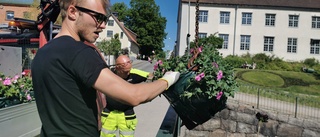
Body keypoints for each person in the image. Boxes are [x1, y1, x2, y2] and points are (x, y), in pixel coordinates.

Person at [31, 0, 180, 136]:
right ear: (72, 12)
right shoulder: (79, 52)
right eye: (98, 17)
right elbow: (134, 95)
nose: (102, 25)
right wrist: (167, 80)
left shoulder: (42, 53)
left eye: (104, 19)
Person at [101, 55, 153, 137]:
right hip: (109, 112)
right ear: (117, 68)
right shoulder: (109, 73)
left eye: (129, 70)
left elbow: (150, 75)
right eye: (125, 71)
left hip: (127, 114)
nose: (128, 73)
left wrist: (146, 88)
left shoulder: (133, 73)